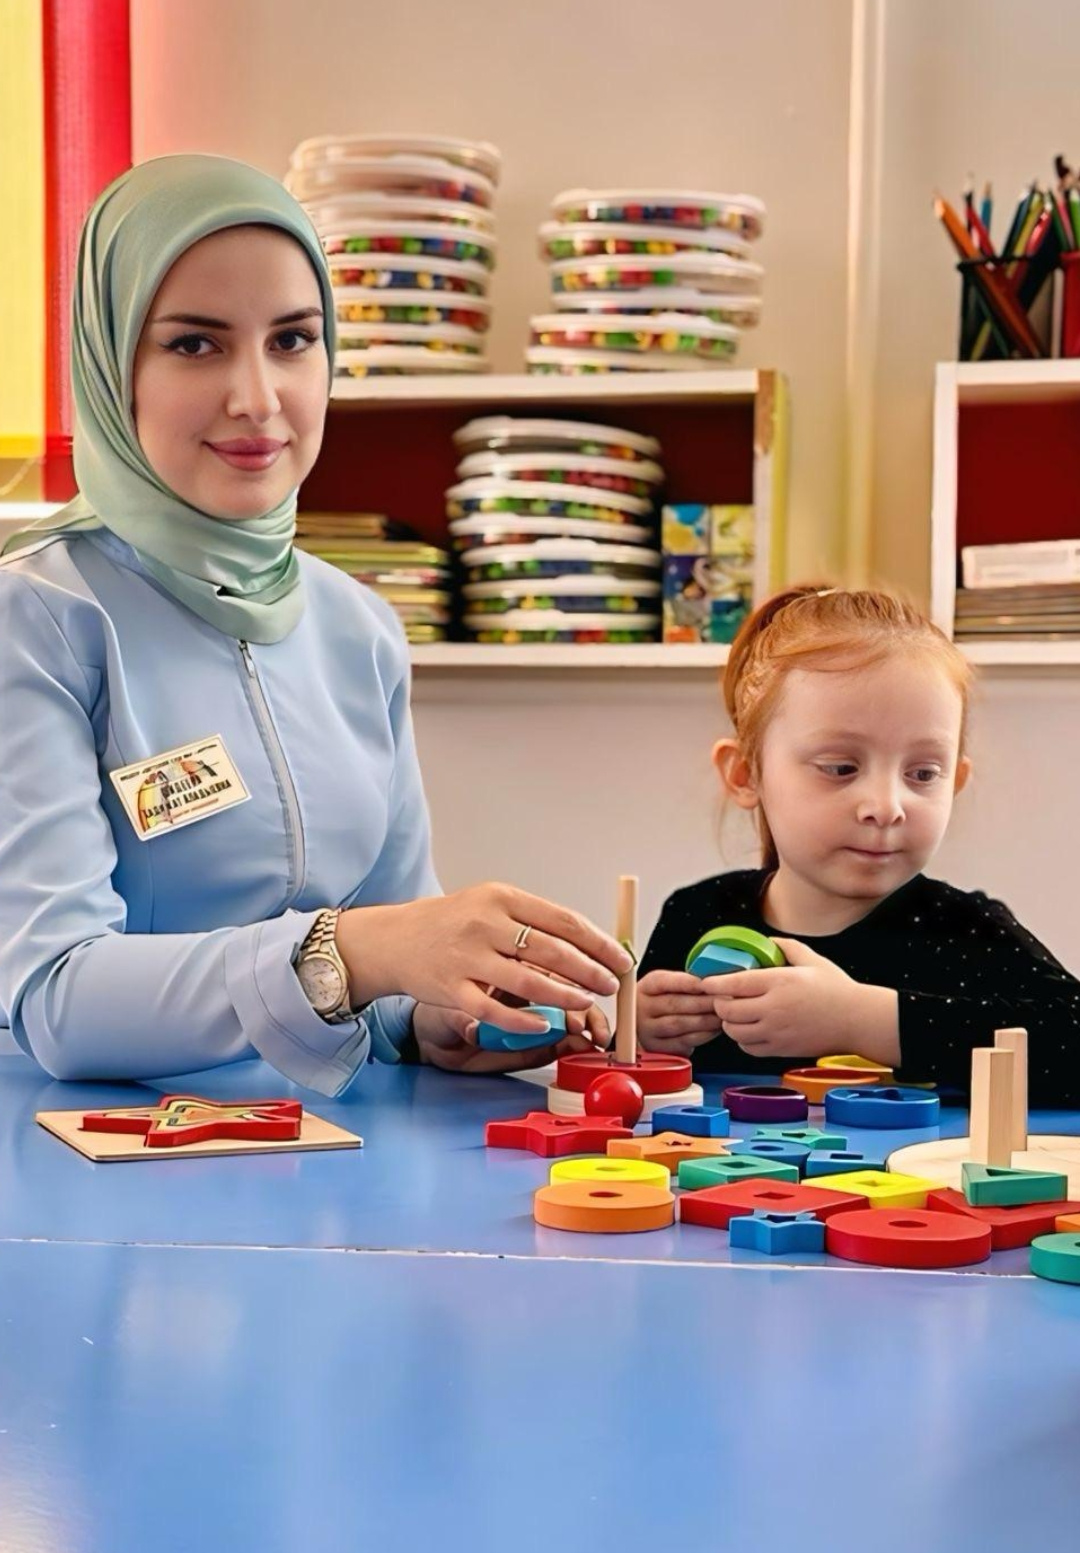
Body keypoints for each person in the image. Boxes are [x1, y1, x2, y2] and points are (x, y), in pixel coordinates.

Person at [0, 154, 629, 1089]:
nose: (258, 398)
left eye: (293, 339)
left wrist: (446, 1014)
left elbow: (387, 954)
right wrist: (358, 951)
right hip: (83, 1161)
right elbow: (57, 1000)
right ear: (109, 364)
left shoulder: (358, 628)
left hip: (338, 1154)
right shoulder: (39, 616)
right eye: (194, 344)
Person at [637, 584, 1080, 1102]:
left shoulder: (964, 931)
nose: (886, 806)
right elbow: (625, 1085)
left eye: (922, 773)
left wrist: (860, 1019)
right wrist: (642, 1033)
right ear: (745, 774)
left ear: (955, 782)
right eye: (841, 768)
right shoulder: (696, 914)